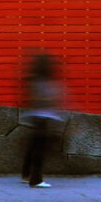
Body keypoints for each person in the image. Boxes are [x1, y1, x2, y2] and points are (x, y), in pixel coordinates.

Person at [20, 54, 66, 189]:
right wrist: (52, 99)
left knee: (33, 147)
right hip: (43, 117)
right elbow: (40, 98)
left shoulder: (33, 79)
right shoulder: (43, 81)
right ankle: (36, 179)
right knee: (39, 150)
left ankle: (26, 175)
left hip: (35, 116)